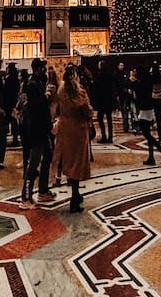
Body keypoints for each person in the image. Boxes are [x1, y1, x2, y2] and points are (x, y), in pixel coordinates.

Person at [52, 64, 94, 212]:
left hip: (65, 128)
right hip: (78, 130)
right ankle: (75, 197)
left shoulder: (61, 90)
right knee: (77, 163)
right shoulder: (79, 92)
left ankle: (75, 193)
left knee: (69, 162)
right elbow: (88, 111)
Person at [19, 58, 55, 209]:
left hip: (42, 127)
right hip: (35, 129)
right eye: (42, 68)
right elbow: (34, 106)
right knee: (34, 161)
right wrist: (46, 96)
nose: (45, 71)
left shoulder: (36, 82)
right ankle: (26, 197)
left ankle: (43, 190)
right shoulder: (32, 84)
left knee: (48, 155)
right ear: (38, 69)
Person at [133, 64, 161, 167]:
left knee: (147, 134)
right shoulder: (148, 79)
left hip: (145, 108)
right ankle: (151, 157)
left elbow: (138, 92)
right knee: (147, 133)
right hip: (148, 107)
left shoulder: (141, 81)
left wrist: (133, 82)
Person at [94, 60, 116, 143]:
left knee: (100, 118)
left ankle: (104, 136)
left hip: (102, 100)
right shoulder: (110, 75)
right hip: (109, 100)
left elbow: (97, 88)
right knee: (109, 119)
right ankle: (110, 138)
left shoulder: (99, 75)